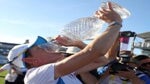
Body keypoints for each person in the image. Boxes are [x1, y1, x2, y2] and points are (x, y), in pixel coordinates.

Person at [6, 2, 123, 84]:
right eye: (40, 48)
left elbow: (102, 60)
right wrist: (115, 23)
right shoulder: (35, 76)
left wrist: (78, 43)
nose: (46, 46)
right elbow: (94, 52)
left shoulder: (64, 72)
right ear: (31, 61)